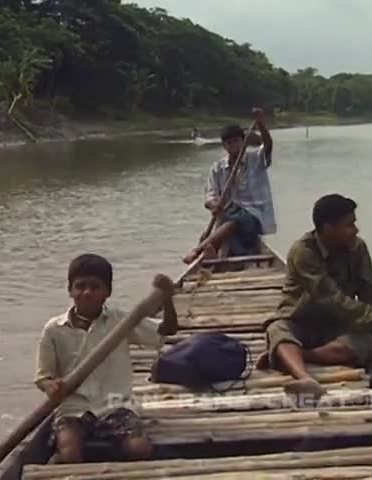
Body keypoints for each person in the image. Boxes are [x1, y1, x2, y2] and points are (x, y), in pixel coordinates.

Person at [259, 194, 372, 400]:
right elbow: (332, 299)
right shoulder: (303, 252)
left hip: (336, 327)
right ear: (329, 228)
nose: (355, 230)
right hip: (301, 320)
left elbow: (371, 296)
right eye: (349, 225)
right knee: (277, 329)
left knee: (365, 342)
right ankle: (305, 378)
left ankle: (299, 355)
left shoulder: (358, 248)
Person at [34, 253, 177, 463]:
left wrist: (167, 300)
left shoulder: (121, 321)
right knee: (70, 453)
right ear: (70, 290)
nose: (87, 292)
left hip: (116, 406)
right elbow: (43, 376)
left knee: (139, 449)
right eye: (80, 286)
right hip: (74, 408)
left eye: (95, 286)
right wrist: (51, 387)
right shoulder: (54, 329)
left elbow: (166, 331)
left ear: (107, 292)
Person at [182, 108, 276, 263]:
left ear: (242, 141)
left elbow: (268, 145)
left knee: (236, 221)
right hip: (226, 217)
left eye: (236, 141)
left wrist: (261, 125)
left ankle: (197, 251)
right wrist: (214, 205)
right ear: (224, 146)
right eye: (229, 143)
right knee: (218, 231)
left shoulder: (255, 159)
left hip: (254, 216)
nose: (233, 145)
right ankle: (213, 256)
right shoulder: (217, 168)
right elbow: (210, 196)